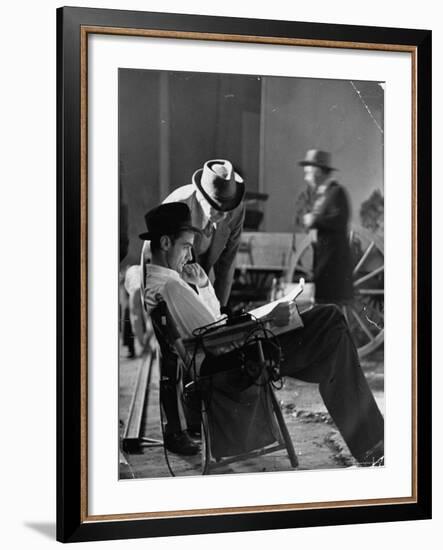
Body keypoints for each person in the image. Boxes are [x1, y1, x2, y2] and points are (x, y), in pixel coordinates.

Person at [141, 202, 384, 466]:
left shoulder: (162, 283)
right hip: (233, 363)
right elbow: (214, 335)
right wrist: (261, 321)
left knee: (334, 349)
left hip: (229, 356)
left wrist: (204, 287)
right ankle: (374, 446)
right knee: (331, 320)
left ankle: (373, 448)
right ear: (166, 243)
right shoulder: (172, 287)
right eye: (186, 246)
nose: (189, 256)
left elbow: (211, 327)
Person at [161, 158, 246, 307]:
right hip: (168, 281)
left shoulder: (236, 210)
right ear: (201, 197)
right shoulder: (177, 206)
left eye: (228, 208)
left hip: (200, 280)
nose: (224, 215)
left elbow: (227, 264)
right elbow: (157, 263)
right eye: (217, 207)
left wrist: (220, 312)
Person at [299, 149, 353, 304]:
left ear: (318, 172)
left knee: (329, 305)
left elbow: (338, 219)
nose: (306, 178)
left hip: (333, 263)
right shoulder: (324, 195)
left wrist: (314, 220)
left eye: (308, 173)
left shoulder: (337, 192)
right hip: (325, 261)